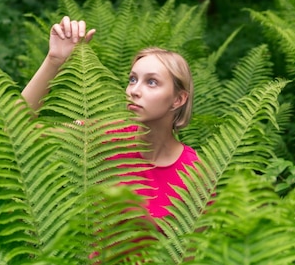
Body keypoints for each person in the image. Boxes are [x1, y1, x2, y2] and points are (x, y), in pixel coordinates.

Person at [21, 16, 199, 220]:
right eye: (132, 79)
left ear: (178, 99)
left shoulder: (195, 172)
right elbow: (18, 128)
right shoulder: (104, 138)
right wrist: (54, 61)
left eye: (151, 82)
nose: (134, 90)